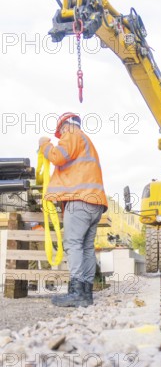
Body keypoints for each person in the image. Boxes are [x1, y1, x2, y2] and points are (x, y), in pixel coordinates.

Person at [38, 112, 108, 307]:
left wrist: (44, 144)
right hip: (94, 204)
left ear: (66, 125)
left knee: (73, 244)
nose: (60, 134)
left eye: (60, 130)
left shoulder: (72, 134)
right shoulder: (87, 141)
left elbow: (58, 156)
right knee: (85, 247)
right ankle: (86, 294)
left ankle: (76, 292)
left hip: (79, 202)